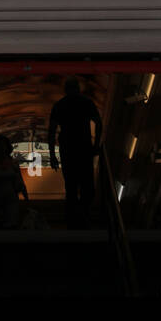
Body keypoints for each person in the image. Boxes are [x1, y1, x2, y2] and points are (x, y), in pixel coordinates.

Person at [48, 78, 102, 229]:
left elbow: (52, 131)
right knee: (87, 186)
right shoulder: (87, 103)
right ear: (79, 88)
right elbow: (98, 123)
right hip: (84, 147)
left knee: (71, 185)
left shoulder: (59, 105)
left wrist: (52, 155)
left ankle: (73, 219)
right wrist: (96, 144)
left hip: (68, 148)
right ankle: (83, 215)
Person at [0, 135, 29, 229]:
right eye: (0, 146)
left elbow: (21, 181)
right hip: (2, 199)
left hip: (7, 199)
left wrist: (26, 198)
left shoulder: (10, 164)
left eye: (3, 146)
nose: (2, 148)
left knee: (7, 225)